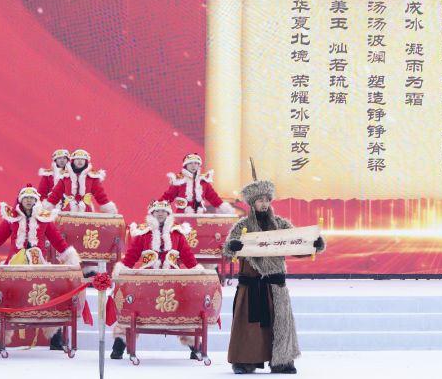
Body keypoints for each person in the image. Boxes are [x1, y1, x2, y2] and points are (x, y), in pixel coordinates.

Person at [222, 179, 325, 374]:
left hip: (275, 285)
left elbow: (296, 244)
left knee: (280, 324)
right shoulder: (242, 226)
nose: (264, 204)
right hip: (251, 285)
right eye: (260, 200)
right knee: (249, 326)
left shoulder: (281, 224)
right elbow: (228, 250)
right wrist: (233, 246)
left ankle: (282, 362)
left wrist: (314, 244)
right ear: (252, 203)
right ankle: (244, 362)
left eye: (266, 200)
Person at [0, 185, 80, 351]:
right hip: (15, 264)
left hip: (38, 265)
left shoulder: (44, 219)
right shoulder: (12, 218)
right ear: (20, 200)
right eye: (26, 198)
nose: (29, 201)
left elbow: (58, 241)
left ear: (36, 201)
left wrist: (72, 259)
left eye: (32, 198)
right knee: (5, 299)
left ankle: (55, 338)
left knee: (50, 297)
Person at [108, 199, 201, 360]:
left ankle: (195, 346)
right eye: (157, 211)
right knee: (131, 311)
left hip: (172, 284)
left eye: (163, 211)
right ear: (152, 213)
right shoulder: (143, 234)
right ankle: (119, 346)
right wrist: (120, 272)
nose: (160, 214)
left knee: (183, 313)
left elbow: (188, 257)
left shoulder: (177, 234)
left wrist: (198, 273)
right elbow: (130, 257)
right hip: (147, 284)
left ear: (168, 213)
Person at [44, 148, 117, 213]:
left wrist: (108, 208)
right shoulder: (65, 176)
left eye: (82, 159)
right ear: (73, 161)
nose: (80, 161)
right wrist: (47, 207)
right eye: (77, 159)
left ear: (86, 161)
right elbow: (56, 194)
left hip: (86, 211)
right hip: (68, 212)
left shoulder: (92, 177)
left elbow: (100, 195)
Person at [159, 153, 235, 214]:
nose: (193, 165)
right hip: (183, 215)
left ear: (198, 165)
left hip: (200, 215)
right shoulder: (179, 181)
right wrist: (158, 207)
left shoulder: (203, 182)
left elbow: (213, 197)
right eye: (190, 163)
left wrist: (225, 208)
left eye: (196, 163)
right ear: (186, 165)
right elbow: (167, 196)